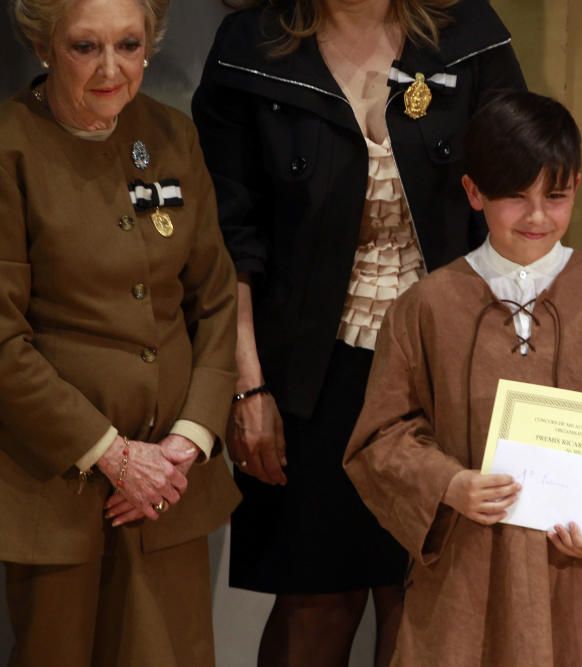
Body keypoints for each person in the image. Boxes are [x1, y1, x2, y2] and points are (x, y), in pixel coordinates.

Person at [191, 0, 525, 664]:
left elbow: (520, 199)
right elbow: (227, 243)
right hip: (306, 381)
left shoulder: (468, 34)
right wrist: (247, 390)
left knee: (419, 602)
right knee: (315, 606)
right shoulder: (250, 46)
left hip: (441, 373)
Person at [343, 90, 582, 667]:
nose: (538, 216)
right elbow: (378, 439)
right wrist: (447, 484)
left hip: (576, 583)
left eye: (556, 196)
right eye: (515, 198)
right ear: (474, 193)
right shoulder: (426, 307)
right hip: (466, 583)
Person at [0, 0, 240, 665]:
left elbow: (216, 301)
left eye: (129, 45)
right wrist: (113, 455)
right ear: (45, 46)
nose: (112, 69)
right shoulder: (9, 147)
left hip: (168, 490)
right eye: (85, 48)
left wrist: (184, 447)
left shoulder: (172, 136)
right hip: (59, 489)